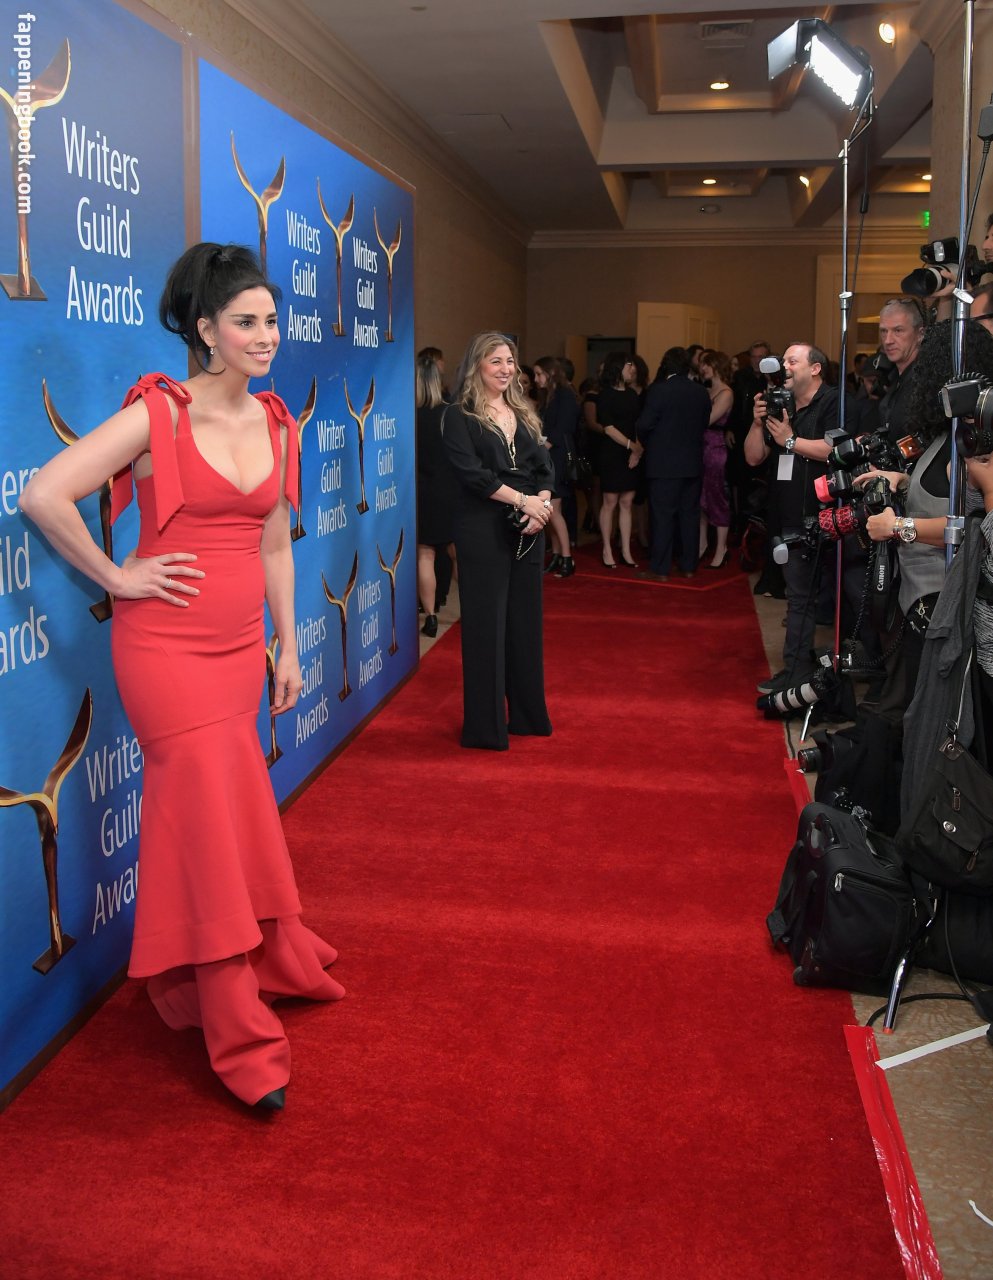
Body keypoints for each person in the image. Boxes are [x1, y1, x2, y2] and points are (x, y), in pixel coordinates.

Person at [18, 242, 344, 1112]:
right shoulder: (158, 414)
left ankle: (268, 955)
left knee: (233, 808)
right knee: (202, 821)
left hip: (240, 649)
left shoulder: (275, 420)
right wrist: (116, 576)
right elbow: (44, 493)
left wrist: (288, 645)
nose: (265, 336)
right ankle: (235, 1028)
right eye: (246, 322)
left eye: (271, 321)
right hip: (165, 652)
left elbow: (274, 544)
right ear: (205, 331)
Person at [442, 332, 554, 751]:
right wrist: (524, 501)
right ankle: (485, 728)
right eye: (496, 361)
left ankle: (527, 716)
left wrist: (540, 506)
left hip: (529, 527)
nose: (506, 369)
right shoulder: (458, 416)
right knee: (486, 627)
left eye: (510, 361)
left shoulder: (523, 411)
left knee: (525, 624)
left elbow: (545, 467)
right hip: (481, 528)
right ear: (477, 366)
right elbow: (472, 475)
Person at [744, 342, 844, 692]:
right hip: (789, 519)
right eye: (783, 360)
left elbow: (834, 450)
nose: (784, 366)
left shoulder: (833, 402)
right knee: (798, 597)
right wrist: (757, 423)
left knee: (845, 598)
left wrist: (790, 440)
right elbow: (753, 457)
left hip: (832, 518)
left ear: (815, 368)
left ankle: (849, 675)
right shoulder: (781, 405)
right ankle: (796, 672)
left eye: (792, 360)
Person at [636, 346, 712, 581]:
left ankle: (660, 568)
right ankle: (688, 566)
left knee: (662, 516)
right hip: (692, 462)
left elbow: (644, 424)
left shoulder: (659, 390)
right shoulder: (700, 392)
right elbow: (704, 423)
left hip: (663, 463)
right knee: (689, 515)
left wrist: (650, 443)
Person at [415, 351, 457, 636]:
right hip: (450, 490)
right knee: (457, 553)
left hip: (422, 492)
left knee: (425, 556)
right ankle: (474, 608)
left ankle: (430, 616)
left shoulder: (410, 415)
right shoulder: (451, 414)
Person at [592, 351, 643, 568]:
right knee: (610, 502)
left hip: (631, 453)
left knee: (627, 502)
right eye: (628, 365)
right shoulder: (605, 395)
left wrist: (637, 451)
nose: (633, 368)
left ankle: (626, 551)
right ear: (617, 368)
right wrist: (632, 446)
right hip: (612, 453)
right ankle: (606, 548)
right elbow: (609, 428)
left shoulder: (632, 395)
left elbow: (638, 424)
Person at [533, 355, 578, 578]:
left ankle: (567, 557)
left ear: (550, 373)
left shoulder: (564, 395)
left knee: (553, 510)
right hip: (550, 457)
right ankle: (559, 555)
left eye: (539, 374)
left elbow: (563, 428)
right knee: (551, 510)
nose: (536, 379)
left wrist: (543, 447)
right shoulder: (549, 396)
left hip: (557, 458)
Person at [697, 349, 733, 569]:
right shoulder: (707, 390)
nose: (702, 368)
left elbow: (708, 419)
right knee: (701, 498)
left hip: (715, 450)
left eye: (706, 364)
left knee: (717, 498)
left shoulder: (726, 392)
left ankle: (721, 548)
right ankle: (702, 544)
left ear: (716, 366)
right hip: (700, 448)